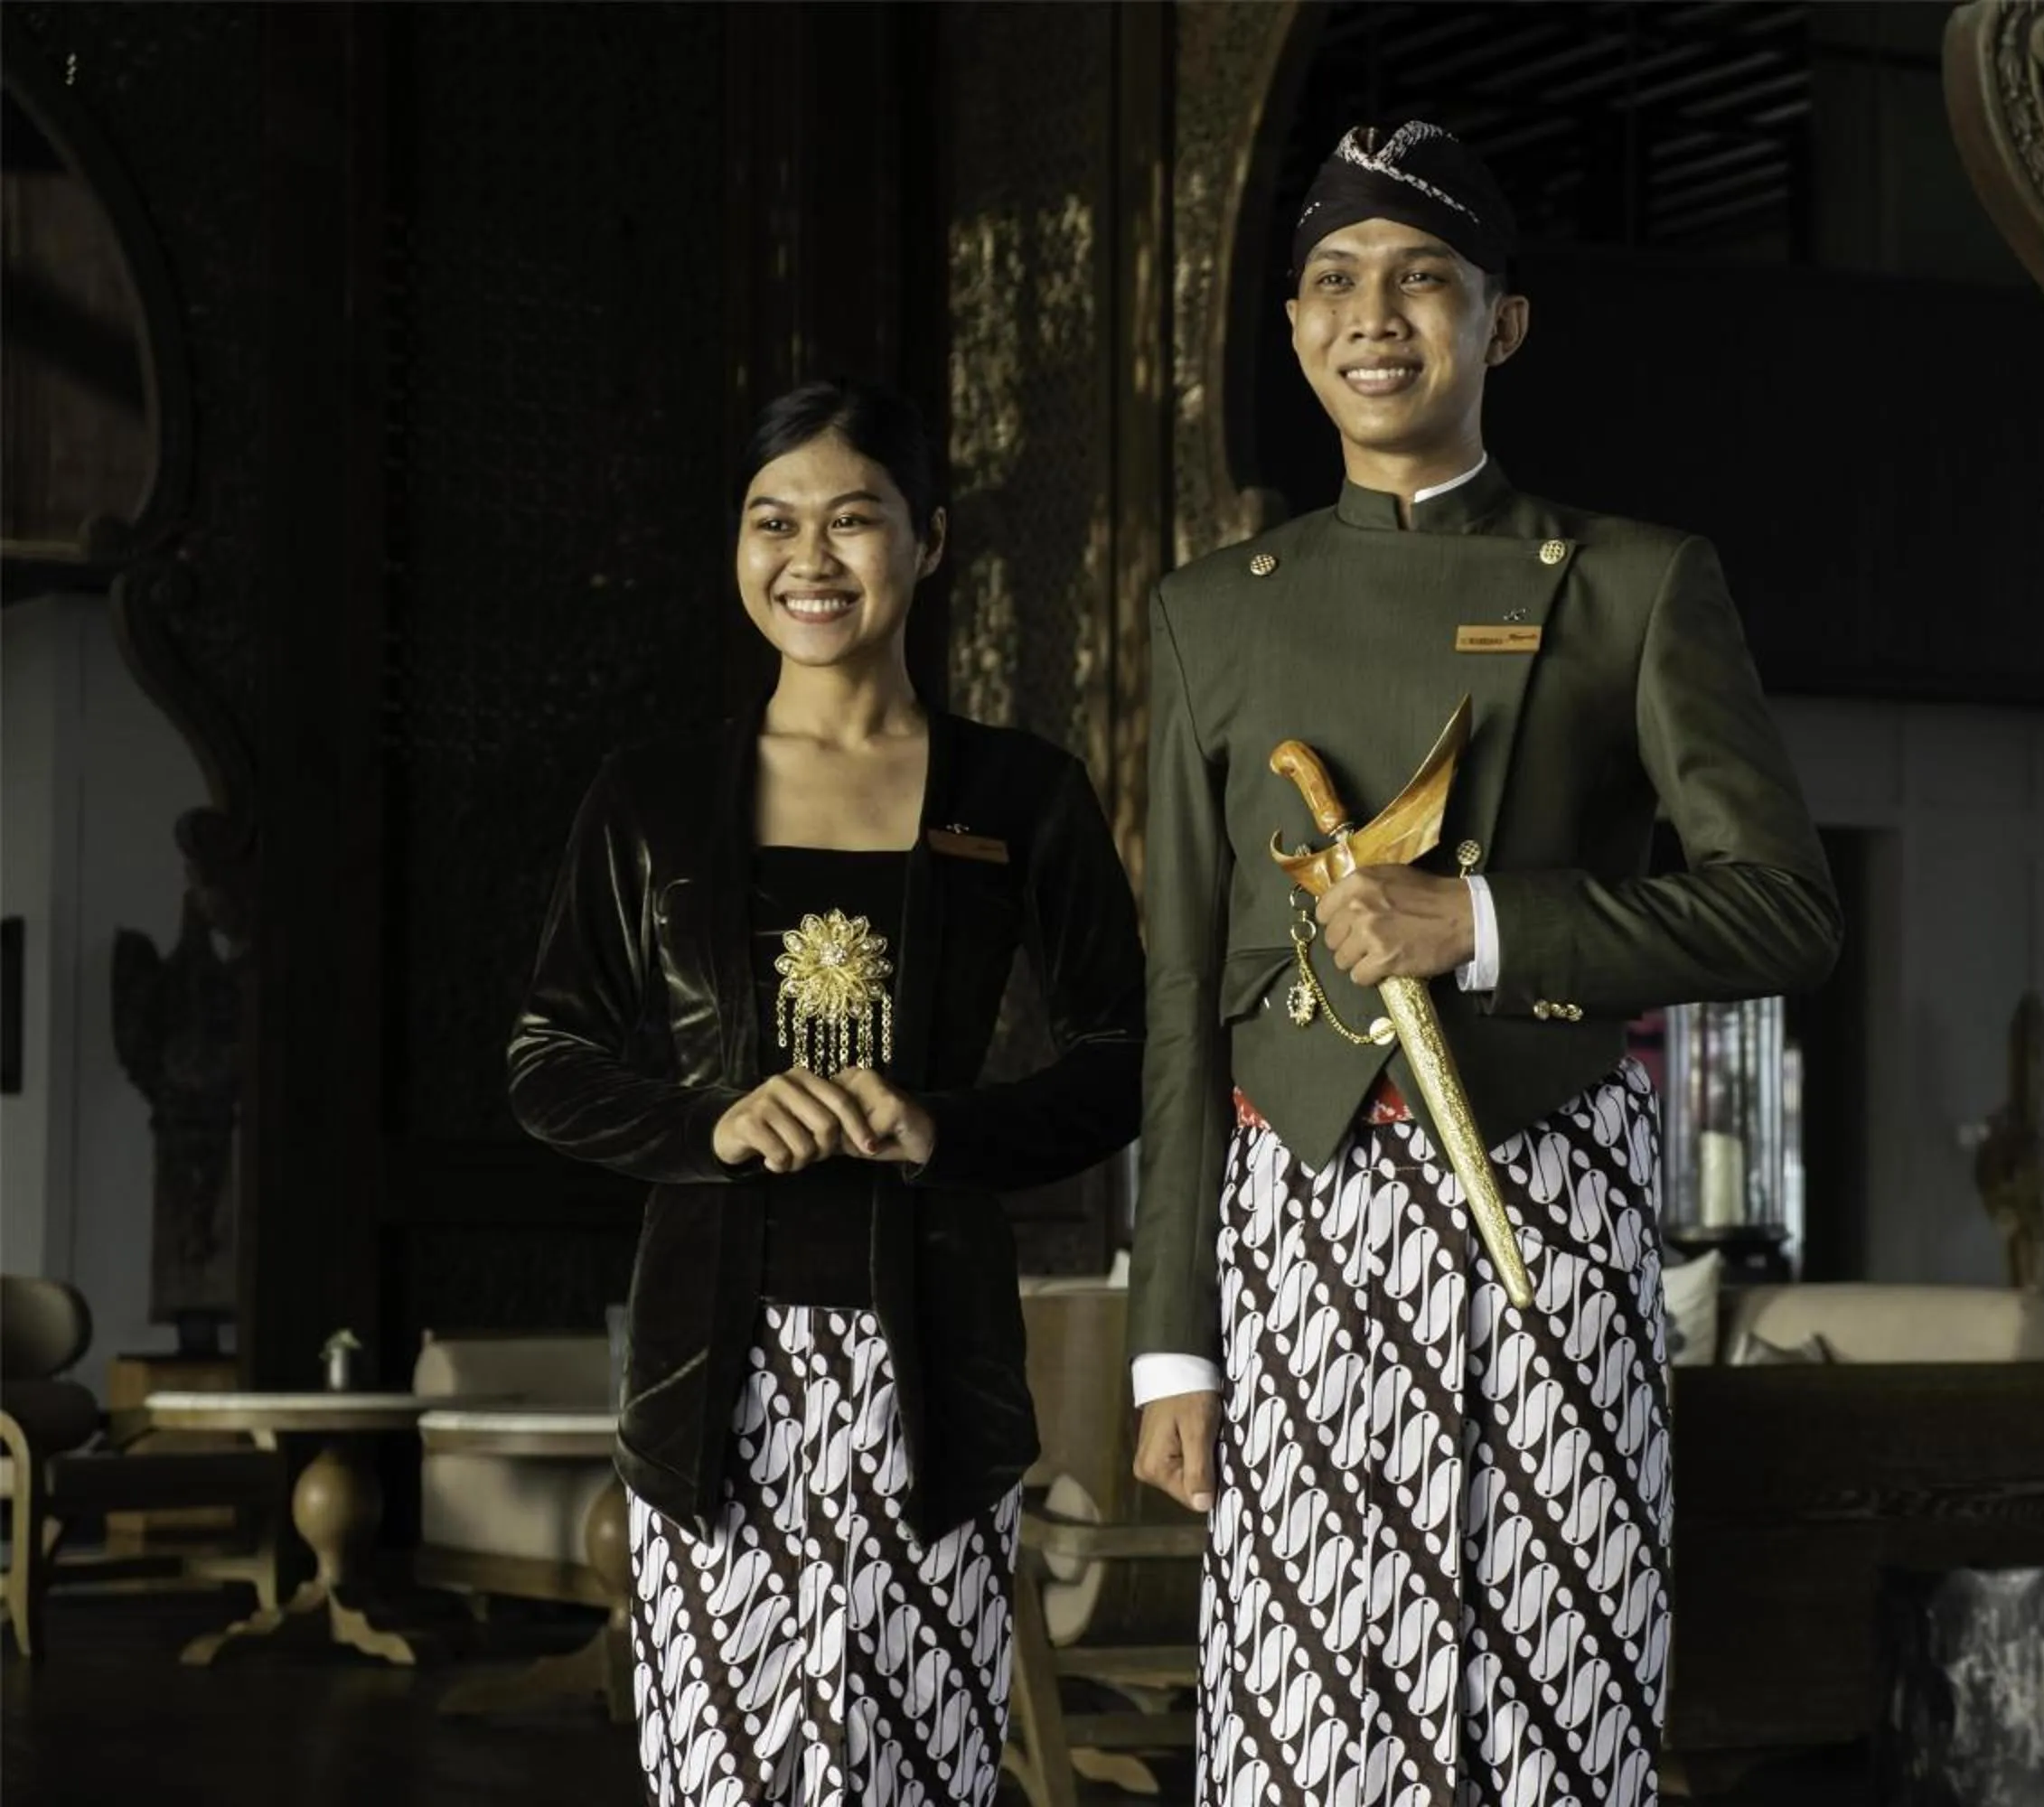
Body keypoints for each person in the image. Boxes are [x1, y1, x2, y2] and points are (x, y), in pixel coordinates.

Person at [1127, 122, 1842, 1805]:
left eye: (1423, 279)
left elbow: (1787, 911)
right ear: (1296, 331)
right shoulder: (1210, 611)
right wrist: (1174, 1346)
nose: (1375, 316)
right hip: (1290, 1214)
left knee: (1552, 1701)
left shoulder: (1635, 585)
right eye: (1334, 283)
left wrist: (1484, 922)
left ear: (1500, 325)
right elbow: (1176, 997)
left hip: (1555, 1205)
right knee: (1303, 1730)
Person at [510, 379, 1144, 1807]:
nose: (809, 556)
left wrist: (949, 1128)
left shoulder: (1020, 792)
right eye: (772, 521)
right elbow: (545, 1059)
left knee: (922, 1773)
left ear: (930, 541)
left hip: (941, 1380)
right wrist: (712, 1124)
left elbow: (1128, 1056)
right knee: (723, 1778)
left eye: (852, 520)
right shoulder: (651, 796)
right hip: (707, 1384)